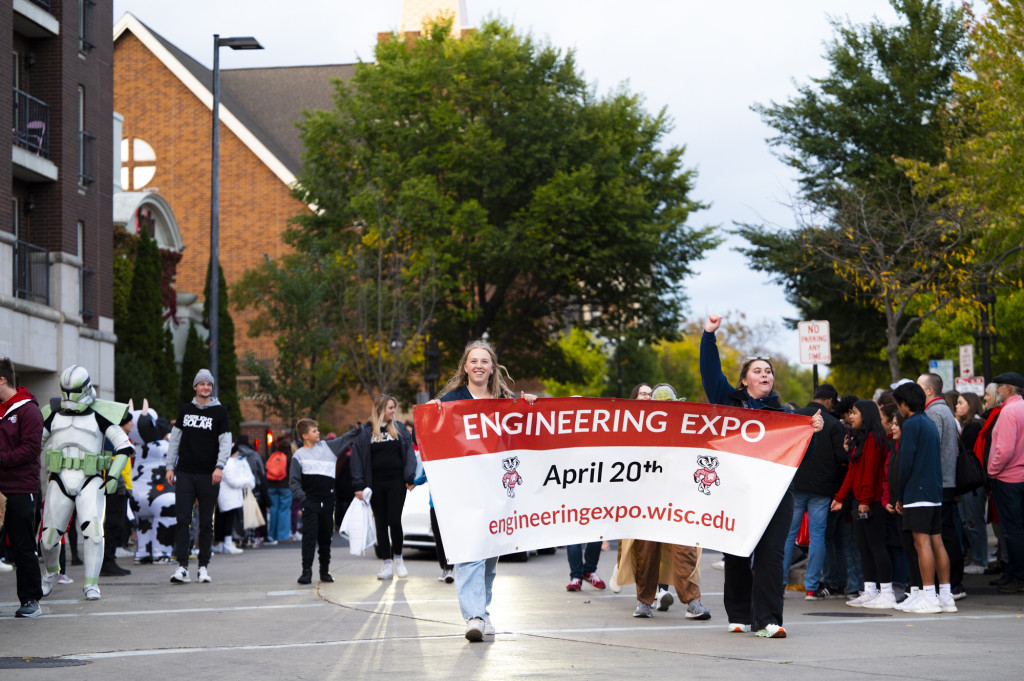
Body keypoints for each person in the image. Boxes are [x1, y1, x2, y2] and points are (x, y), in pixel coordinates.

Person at [700, 314, 823, 638]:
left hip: (776, 497)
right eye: (757, 370)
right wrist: (709, 336)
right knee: (738, 554)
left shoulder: (787, 417)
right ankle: (739, 614)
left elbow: (800, 459)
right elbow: (711, 374)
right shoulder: (729, 403)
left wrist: (811, 434)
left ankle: (768, 619)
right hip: (736, 494)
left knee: (771, 556)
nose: (764, 374)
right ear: (744, 381)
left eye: (768, 371)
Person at [428, 339, 538, 642]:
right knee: (470, 552)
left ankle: (483, 609)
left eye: (484, 361)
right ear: (465, 367)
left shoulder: (505, 399)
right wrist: (432, 413)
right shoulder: (451, 400)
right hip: (464, 492)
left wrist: (528, 404)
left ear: (492, 368)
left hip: (497, 492)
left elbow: (527, 433)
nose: (479, 365)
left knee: (489, 555)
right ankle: (473, 616)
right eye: (473, 361)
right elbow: (431, 434)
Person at [39, 365, 133, 601]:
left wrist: (112, 476)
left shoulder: (100, 414)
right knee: (48, 539)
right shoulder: (51, 413)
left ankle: (91, 583)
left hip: (90, 480)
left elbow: (124, 447)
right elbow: (33, 444)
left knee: (93, 533)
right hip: (59, 478)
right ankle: (51, 574)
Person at [892, 381, 956, 614]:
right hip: (934, 491)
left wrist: (899, 494)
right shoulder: (929, 422)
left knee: (922, 544)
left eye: (898, 404)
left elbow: (905, 462)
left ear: (905, 403)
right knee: (937, 542)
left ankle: (928, 595)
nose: (898, 409)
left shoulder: (910, 425)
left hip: (917, 492)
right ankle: (946, 596)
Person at [166, 369, 232, 585]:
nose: (206, 387)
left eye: (209, 385)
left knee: (206, 523)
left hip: (209, 475)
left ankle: (203, 567)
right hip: (185, 472)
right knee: (183, 519)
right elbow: (175, 440)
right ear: (195, 387)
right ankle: (182, 567)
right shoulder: (185, 410)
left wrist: (219, 467)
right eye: (202, 384)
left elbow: (225, 442)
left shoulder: (220, 412)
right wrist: (170, 467)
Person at [784, 383, 846, 600]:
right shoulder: (834, 424)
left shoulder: (796, 416)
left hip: (796, 484)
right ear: (829, 401)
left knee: (788, 535)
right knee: (817, 535)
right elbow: (841, 458)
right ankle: (811, 587)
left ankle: (779, 583)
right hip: (822, 487)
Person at [832, 401, 894, 608]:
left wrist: (865, 501)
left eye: (855, 413)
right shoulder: (861, 439)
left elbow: (871, 472)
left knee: (876, 546)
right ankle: (870, 590)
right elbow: (853, 472)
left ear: (866, 415)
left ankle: (886, 591)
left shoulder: (874, 440)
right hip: (860, 500)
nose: (852, 417)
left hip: (871, 502)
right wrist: (840, 497)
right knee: (863, 547)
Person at [350, 395, 418, 580]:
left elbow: (410, 453)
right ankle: (386, 564)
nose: (393, 411)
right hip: (375, 484)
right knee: (380, 523)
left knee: (395, 521)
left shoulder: (400, 428)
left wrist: (410, 476)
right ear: (380, 409)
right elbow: (356, 459)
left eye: (393, 407)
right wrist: (358, 484)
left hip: (397, 482)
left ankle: (398, 559)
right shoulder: (366, 432)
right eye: (390, 407)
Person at [0, 357, 45, 617]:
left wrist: (2, 459)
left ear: (2, 379)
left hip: (20, 487)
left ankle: (31, 600)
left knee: (22, 545)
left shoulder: (28, 410)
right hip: (2, 487)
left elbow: (30, 450)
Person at [917, 373, 965, 599]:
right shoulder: (944, 410)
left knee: (942, 535)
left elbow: (930, 447)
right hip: (945, 480)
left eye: (919, 386)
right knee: (945, 533)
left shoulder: (935, 412)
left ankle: (952, 584)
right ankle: (952, 583)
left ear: (928, 390)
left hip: (940, 481)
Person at [289, 419, 354, 584]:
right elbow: (294, 482)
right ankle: (306, 572)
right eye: (314, 431)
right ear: (305, 436)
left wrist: (360, 428)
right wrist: (303, 498)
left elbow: (346, 438)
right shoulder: (299, 455)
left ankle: (324, 571)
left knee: (326, 538)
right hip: (310, 503)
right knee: (309, 538)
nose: (318, 433)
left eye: (317, 430)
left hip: (328, 501)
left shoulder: (329, 447)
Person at [986, 372, 1024, 593]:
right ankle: (1013, 573)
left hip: (1008, 478)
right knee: (1016, 530)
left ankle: (1018, 577)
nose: (996, 391)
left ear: (1008, 389)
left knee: (1012, 531)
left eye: (999, 387)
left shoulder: (1009, 411)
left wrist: (992, 470)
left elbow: (1005, 450)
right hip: (1017, 477)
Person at [131, 408, 176, 564]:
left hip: (137, 496)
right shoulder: (162, 446)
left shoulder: (134, 448)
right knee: (166, 518)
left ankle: (143, 552)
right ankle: (161, 552)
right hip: (160, 494)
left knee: (144, 523)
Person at [956, 392, 989, 574]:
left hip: (972, 482)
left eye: (961, 403)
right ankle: (977, 558)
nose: (957, 406)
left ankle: (980, 559)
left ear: (970, 405)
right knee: (970, 521)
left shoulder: (972, 427)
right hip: (972, 482)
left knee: (974, 521)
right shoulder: (969, 426)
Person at [101, 411, 136, 577]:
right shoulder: (114, 438)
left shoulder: (120, 437)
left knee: (118, 524)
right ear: (124, 423)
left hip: (120, 488)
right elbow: (112, 464)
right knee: (113, 524)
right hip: (115, 488)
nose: (133, 424)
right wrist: (121, 486)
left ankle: (110, 560)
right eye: (130, 422)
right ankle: (107, 562)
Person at [212, 444, 255, 555]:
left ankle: (223, 543)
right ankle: (227, 543)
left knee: (223, 520)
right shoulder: (230, 463)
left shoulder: (228, 462)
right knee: (227, 521)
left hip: (227, 496)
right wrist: (247, 480)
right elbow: (233, 481)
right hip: (229, 496)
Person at [264, 438, 293, 545]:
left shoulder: (273, 456)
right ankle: (283, 535)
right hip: (285, 486)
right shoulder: (290, 457)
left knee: (274, 510)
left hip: (271, 486)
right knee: (284, 510)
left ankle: (272, 535)